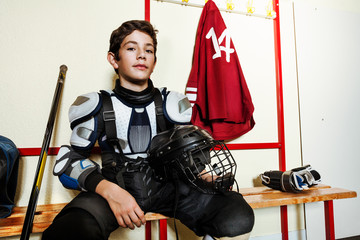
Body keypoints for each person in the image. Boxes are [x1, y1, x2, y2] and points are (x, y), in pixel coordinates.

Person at [42, 20, 254, 240]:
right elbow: (68, 162)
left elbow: (185, 153)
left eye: (148, 50)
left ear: (154, 62)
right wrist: (111, 192)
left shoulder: (173, 104)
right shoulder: (96, 105)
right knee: (68, 232)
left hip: (169, 190)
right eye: (131, 48)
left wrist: (202, 174)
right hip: (114, 189)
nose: (141, 55)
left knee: (236, 216)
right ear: (113, 59)